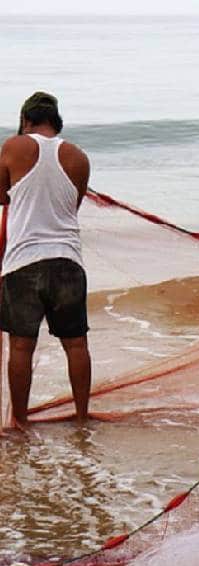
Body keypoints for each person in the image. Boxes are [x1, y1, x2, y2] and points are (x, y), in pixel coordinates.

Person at [0, 92, 92, 427]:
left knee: (22, 347)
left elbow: (1, 193)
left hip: (23, 262)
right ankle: (82, 417)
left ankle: (20, 423)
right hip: (68, 261)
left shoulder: (14, 145)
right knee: (76, 343)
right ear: (56, 121)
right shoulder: (78, 157)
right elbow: (72, 208)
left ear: (26, 120)